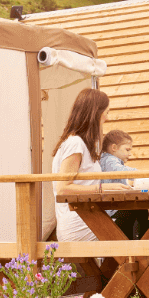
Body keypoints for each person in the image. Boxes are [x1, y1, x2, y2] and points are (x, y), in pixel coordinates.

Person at [52, 89, 130, 242]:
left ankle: (129, 264)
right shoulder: (75, 144)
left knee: (136, 219)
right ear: (96, 113)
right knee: (133, 220)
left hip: (87, 218)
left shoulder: (81, 144)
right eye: (106, 113)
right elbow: (63, 189)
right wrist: (103, 188)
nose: (107, 118)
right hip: (79, 224)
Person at [100, 129, 149, 240]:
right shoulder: (109, 160)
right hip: (113, 211)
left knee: (140, 210)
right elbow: (120, 171)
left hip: (114, 208)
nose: (130, 154)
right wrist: (140, 174)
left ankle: (140, 236)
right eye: (127, 149)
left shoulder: (109, 160)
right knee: (139, 209)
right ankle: (143, 238)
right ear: (114, 148)